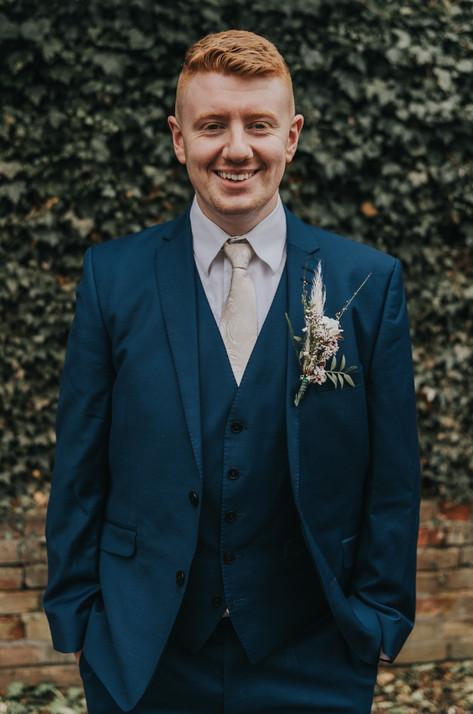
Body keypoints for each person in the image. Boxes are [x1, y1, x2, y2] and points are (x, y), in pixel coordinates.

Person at [44, 30, 420, 714]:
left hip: (315, 653)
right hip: (143, 654)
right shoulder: (112, 277)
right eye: (213, 125)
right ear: (179, 138)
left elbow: (392, 477)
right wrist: (79, 623)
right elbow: (79, 466)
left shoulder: (367, 282)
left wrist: (379, 621)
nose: (237, 148)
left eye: (259, 125)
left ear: (292, 137)